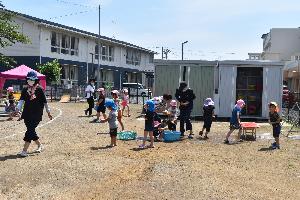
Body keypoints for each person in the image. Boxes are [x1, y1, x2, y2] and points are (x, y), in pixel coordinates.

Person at [16, 71, 53, 157]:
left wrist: (48, 112)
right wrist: (17, 109)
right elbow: (21, 101)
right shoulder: (25, 89)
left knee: (30, 131)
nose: (31, 81)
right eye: (29, 79)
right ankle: (40, 145)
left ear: (36, 80)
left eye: (33, 79)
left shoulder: (39, 89)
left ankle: (24, 151)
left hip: (37, 114)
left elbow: (45, 102)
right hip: (27, 114)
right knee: (31, 130)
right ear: (27, 80)